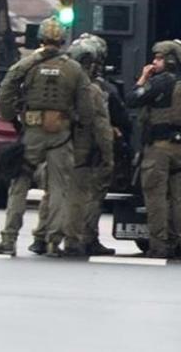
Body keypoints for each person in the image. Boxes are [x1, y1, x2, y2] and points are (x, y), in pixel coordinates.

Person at [0, 17, 95, 257]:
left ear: (41, 38)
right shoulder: (74, 69)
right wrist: (80, 130)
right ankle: (52, 241)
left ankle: (9, 238)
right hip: (61, 133)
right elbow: (86, 108)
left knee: (20, 183)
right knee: (59, 188)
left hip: (32, 132)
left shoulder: (27, 64)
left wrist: (11, 118)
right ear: (62, 40)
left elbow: (6, 89)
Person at [126, 40, 181, 260]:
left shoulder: (160, 83)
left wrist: (143, 78)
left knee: (156, 198)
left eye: (159, 58)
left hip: (158, 150)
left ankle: (159, 246)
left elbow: (132, 99)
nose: (154, 62)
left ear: (170, 60)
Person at [63, 37, 114, 256]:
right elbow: (101, 126)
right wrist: (108, 156)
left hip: (58, 147)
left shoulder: (62, 83)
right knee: (83, 196)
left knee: (56, 194)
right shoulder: (91, 90)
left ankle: (46, 238)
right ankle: (80, 239)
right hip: (83, 151)